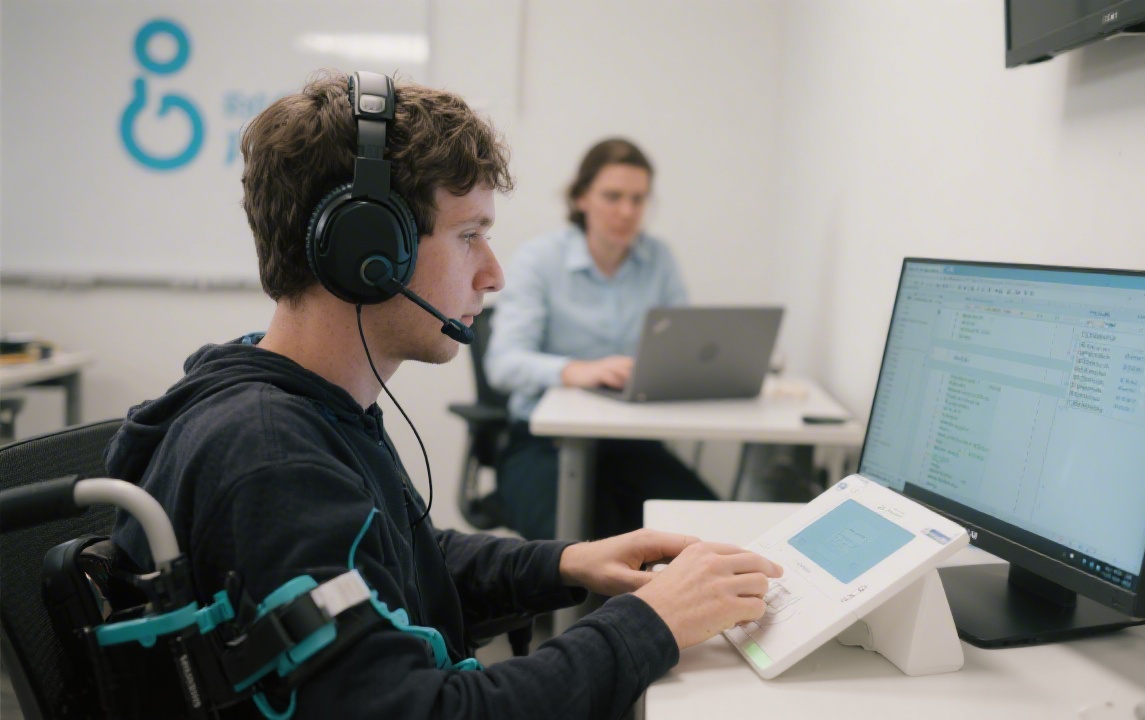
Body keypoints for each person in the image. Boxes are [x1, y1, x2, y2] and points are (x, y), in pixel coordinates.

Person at [107, 71, 780, 719]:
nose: (493, 275)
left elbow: (402, 558)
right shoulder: (272, 459)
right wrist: (648, 624)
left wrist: (568, 563)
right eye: (469, 237)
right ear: (367, 251)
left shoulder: (313, 408)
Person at [485, 139, 718, 541]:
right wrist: (578, 371)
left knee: (708, 531)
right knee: (578, 546)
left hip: (632, 442)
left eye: (638, 199)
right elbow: (502, 364)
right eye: (613, 196)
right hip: (545, 443)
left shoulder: (659, 259)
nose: (627, 212)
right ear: (580, 199)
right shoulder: (539, 261)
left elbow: (682, 352)